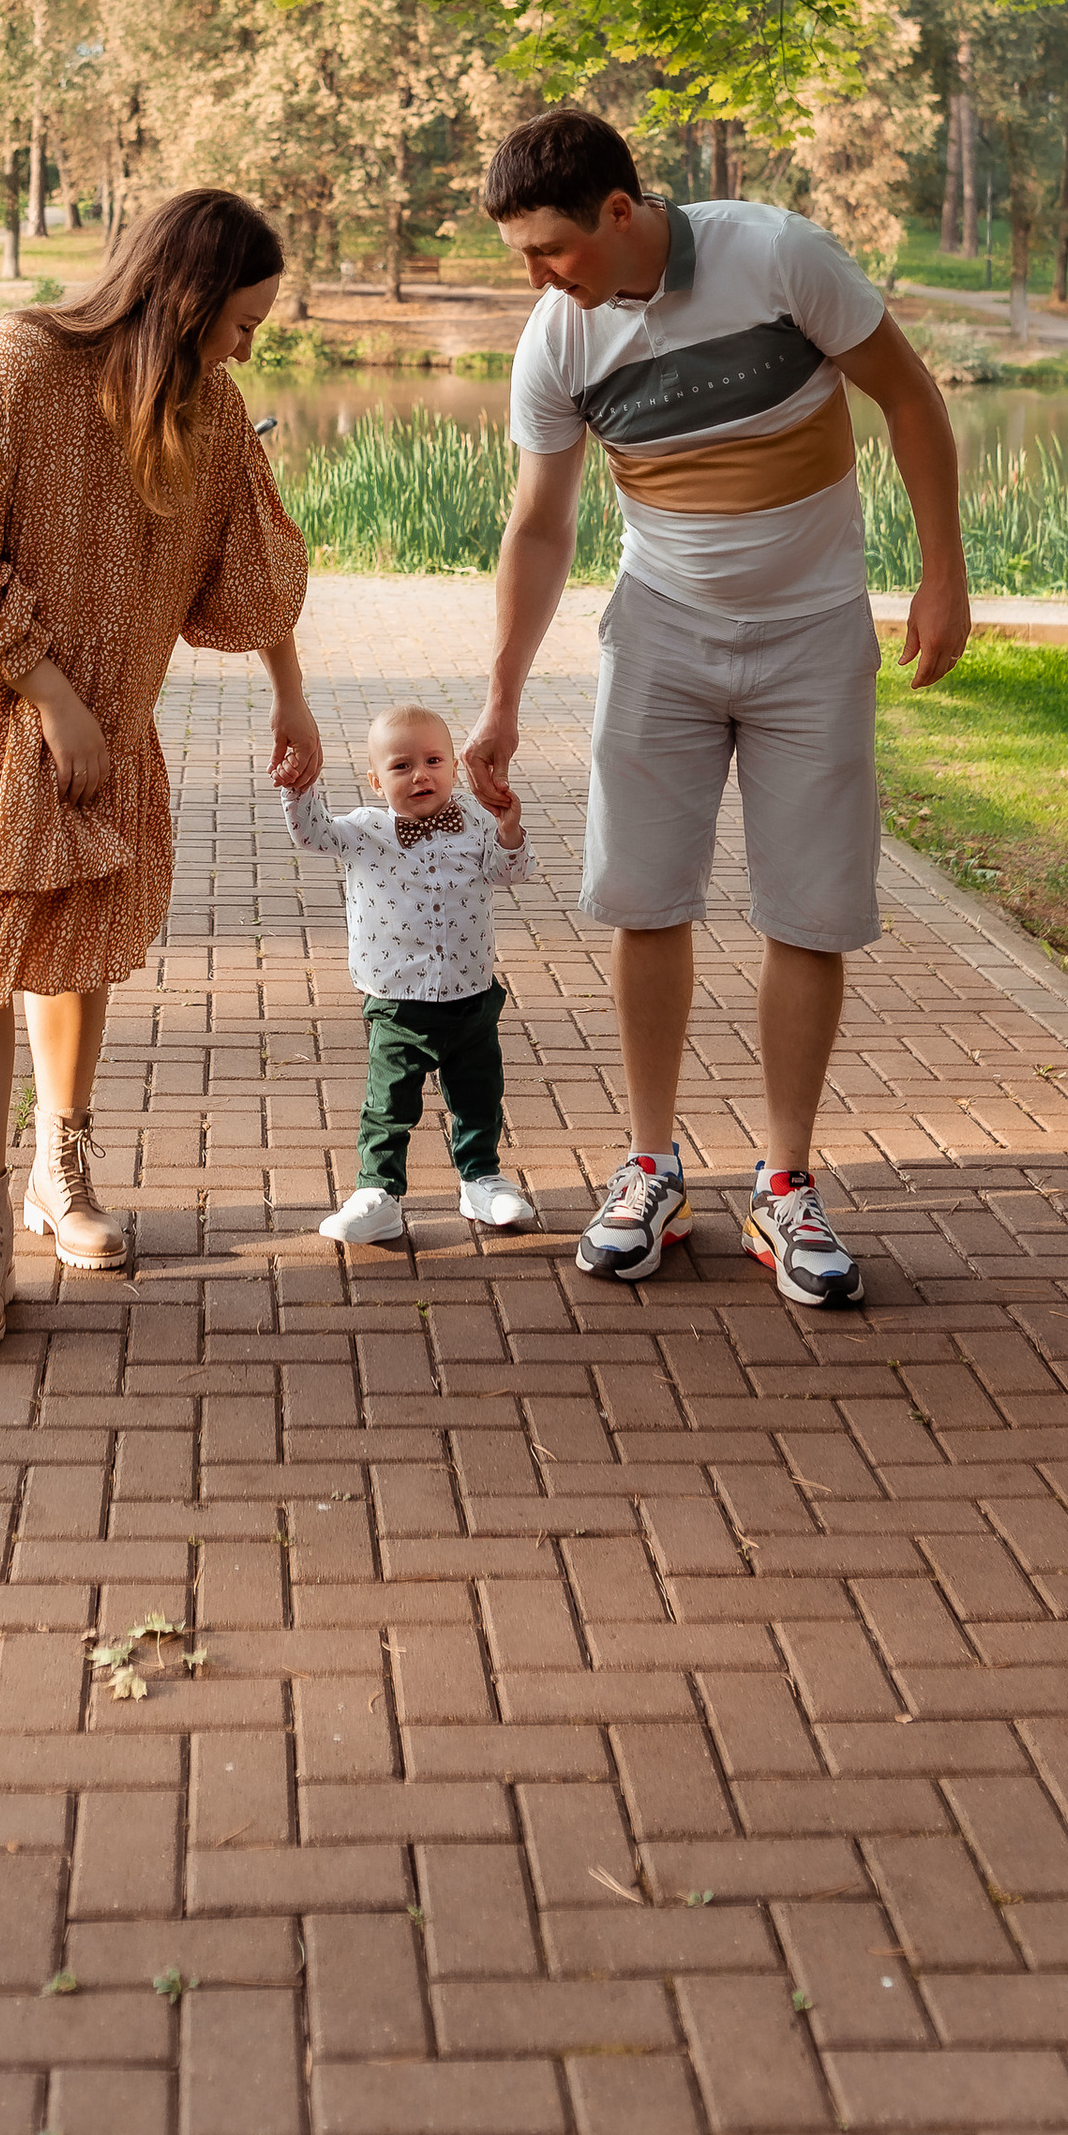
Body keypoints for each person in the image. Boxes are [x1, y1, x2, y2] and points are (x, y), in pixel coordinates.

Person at [459, 109, 970, 1310]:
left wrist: (941, 574)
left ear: (622, 214)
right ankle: (650, 1170)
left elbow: (908, 398)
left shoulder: (777, 256)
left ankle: (784, 1185)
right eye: (522, 259)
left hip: (811, 638)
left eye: (553, 252)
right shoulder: (559, 339)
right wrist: (501, 698)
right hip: (661, 640)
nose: (537, 279)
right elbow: (538, 527)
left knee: (810, 910)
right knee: (645, 902)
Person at [0, 188, 322, 1354]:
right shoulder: (16, 365)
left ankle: (60, 1165)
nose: (250, 346)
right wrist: (50, 695)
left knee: (77, 946)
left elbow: (253, 560)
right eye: (240, 323)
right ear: (185, 299)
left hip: (108, 713)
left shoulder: (209, 404)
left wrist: (290, 693)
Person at [281, 701, 540, 1246]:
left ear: (451, 767)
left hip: (471, 991)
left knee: (478, 1093)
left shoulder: (474, 820)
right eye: (401, 766)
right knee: (389, 1101)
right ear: (377, 781)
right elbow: (312, 835)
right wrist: (298, 789)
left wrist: (510, 831)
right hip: (397, 997)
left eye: (433, 760)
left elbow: (511, 872)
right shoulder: (364, 830)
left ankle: (481, 1179)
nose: (420, 774)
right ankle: (378, 1193)